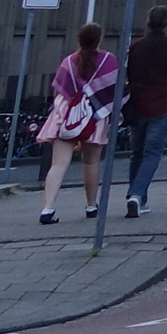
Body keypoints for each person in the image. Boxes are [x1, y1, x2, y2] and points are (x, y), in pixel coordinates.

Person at [37, 21, 122, 225]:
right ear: (99, 39)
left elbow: (59, 89)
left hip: (66, 116)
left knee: (58, 164)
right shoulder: (108, 61)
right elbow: (115, 91)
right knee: (91, 162)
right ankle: (91, 206)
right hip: (94, 116)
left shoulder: (68, 62)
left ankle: (48, 208)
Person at [120, 5, 167, 219]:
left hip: (138, 105)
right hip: (163, 106)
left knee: (137, 152)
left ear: (147, 22)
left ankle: (138, 198)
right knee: (152, 153)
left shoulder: (135, 47)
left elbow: (126, 76)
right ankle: (136, 195)